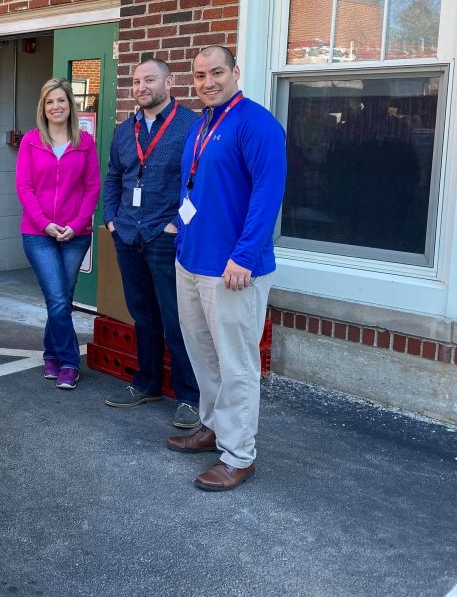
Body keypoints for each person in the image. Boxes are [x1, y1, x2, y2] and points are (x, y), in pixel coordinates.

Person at [167, 45, 286, 491]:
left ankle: (239, 455)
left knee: (237, 363)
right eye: (199, 75)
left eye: (217, 72)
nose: (208, 82)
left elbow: (267, 194)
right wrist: (180, 229)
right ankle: (213, 426)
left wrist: (246, 256)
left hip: (232, 268)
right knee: (204, 354)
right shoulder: (203, 124)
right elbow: (196, 186)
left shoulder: (256, 124)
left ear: (236, 71)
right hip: (192, 259)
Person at [102, 57, 200, 429]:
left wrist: (179, 223)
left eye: (149, 79)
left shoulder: (191, 125)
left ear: (169, 82)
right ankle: (147, 383)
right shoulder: (124, 130)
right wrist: (111, 218)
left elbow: (199, 184)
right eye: (136, 81)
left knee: (177, 319)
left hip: (165, 236)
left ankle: (190, 396)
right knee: (142, 314)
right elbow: (113, 176)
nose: (141, 87)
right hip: (127, 234)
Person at [16, 78, 100, 390]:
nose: (56, 107)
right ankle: (69, 361)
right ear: (43, 107)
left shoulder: (85, 142)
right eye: (50, 102)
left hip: (76, 234)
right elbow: (24, 187)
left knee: (62, 298)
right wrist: (43, 222)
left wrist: (76, 225)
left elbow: (92, 187)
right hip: (38, 233)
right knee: (57, 297)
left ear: (70, 105)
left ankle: (51, 353)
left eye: (61, 101)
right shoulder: (31, 141)